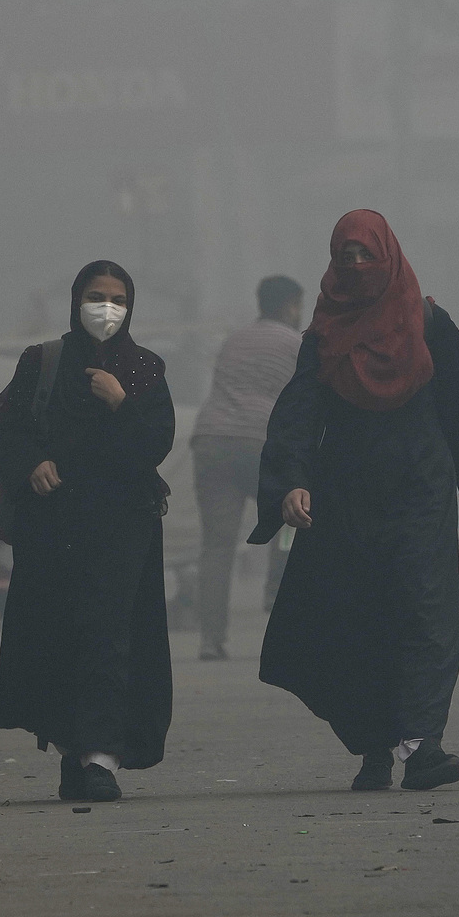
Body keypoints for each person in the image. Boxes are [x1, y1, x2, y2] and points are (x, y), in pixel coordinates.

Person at [252, 210, 459, 793]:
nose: (356, 269)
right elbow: (300, 411)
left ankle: (422, 745)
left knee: (423, 612)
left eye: (366, 257)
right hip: (343, 496)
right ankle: (373, 745)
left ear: (389, 259)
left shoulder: (429, 324)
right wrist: (291, 481)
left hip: (420, 490)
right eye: (345, 259)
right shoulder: (322, 334)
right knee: (351, 621)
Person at [0, 260, 177, 803]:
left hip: (124, 526)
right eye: (97, 296)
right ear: (75, 300)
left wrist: (121, 404)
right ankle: (75, 751)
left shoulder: (144, 370)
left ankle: (101, 757)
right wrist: (32, 462)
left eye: (118, 298)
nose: (107, 308)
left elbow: (154, 445)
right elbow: (10, 424)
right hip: (56, 527)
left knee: (110, 636)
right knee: (60, 635)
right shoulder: (43, 362)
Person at [190, 274, 304, 660]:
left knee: (217, 546)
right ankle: (276, 592)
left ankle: (211, 639)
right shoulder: (295, 343)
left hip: (212, 440)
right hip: (260, 444)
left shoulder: (234, 340)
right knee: (291, 519)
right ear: (290, 305)